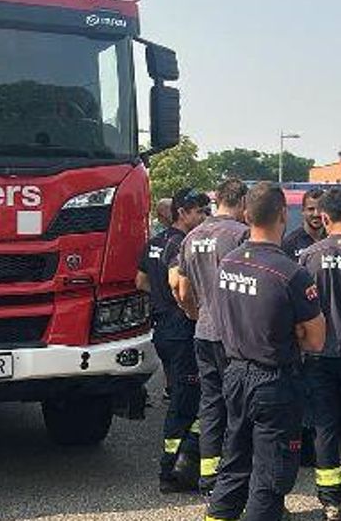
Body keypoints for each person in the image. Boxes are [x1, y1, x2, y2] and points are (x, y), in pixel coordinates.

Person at [205, 182, 326, 521]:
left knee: (233, 466)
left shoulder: (227, 264)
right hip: (273, 381)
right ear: (283, 215)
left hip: (234, 374)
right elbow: (316, 340)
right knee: (270, 480)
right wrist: (293, 332)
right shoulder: (291, 273)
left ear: (247, 215)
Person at [136, 187, 211, 493]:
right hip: (181, 330)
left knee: (182, 395)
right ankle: (173, 470)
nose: (203, 217)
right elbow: (177, 284)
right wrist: (192, 311)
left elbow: (140, 281)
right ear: (182, 212)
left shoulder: (155, 241)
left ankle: (182, 464)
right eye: (199, 212)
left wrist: (161, 302)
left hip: (163, 329)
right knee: (185, 401)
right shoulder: (182, 243)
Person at [177, 178, 249, 494]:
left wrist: (197, 314)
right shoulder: (240, 235)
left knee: (211, 404)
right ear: (243, 202)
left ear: (217, 199)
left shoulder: (191, 237)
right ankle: (235, 477)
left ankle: (209, 478)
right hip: (234, 337)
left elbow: (182, 291)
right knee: (239, 408)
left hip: (203, 332)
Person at [298, 189, 341, 520]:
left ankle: (331, 500)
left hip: (318, 354)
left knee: (324, 425)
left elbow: (299, 309)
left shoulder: (309, 256)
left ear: (324, 217)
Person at [282, 187, 326, 260]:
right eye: (311, 209)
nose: (316, 214)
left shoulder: (333, 241)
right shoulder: (290, 244)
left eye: (321, 209)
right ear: (303, 210)